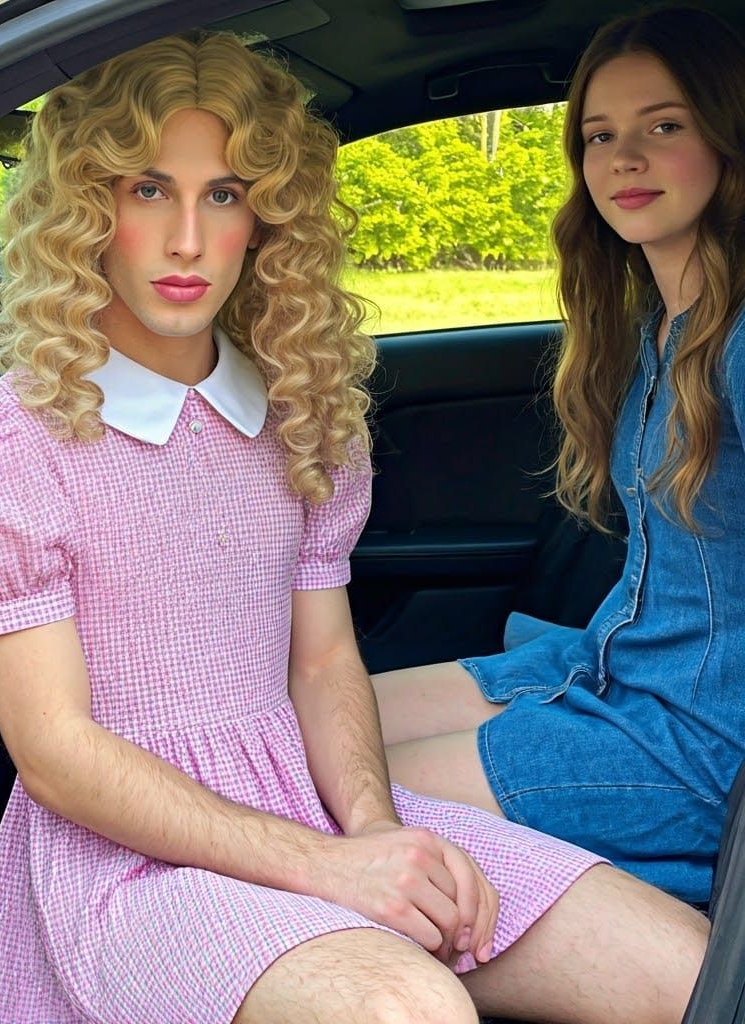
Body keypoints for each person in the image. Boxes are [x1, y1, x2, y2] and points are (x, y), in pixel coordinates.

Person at [0, 29, 707, 1024]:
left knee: (694, 969)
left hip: (309, 803)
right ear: (85, 209)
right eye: (147, 189)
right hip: (130, 868)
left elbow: (321, 667)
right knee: (402, 1007)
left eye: (223, 194)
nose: (187, 238)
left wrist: (373, 829)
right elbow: (57, 751)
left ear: (265, 218)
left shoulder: (301, 421)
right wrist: (328, 865)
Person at [374, 4, 745, 908]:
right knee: (311, 734)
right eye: (600, 134)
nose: (625, 158)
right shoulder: (665, 328)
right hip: (610, 665)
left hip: (695, 740)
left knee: (345, 803)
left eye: (665, 126)